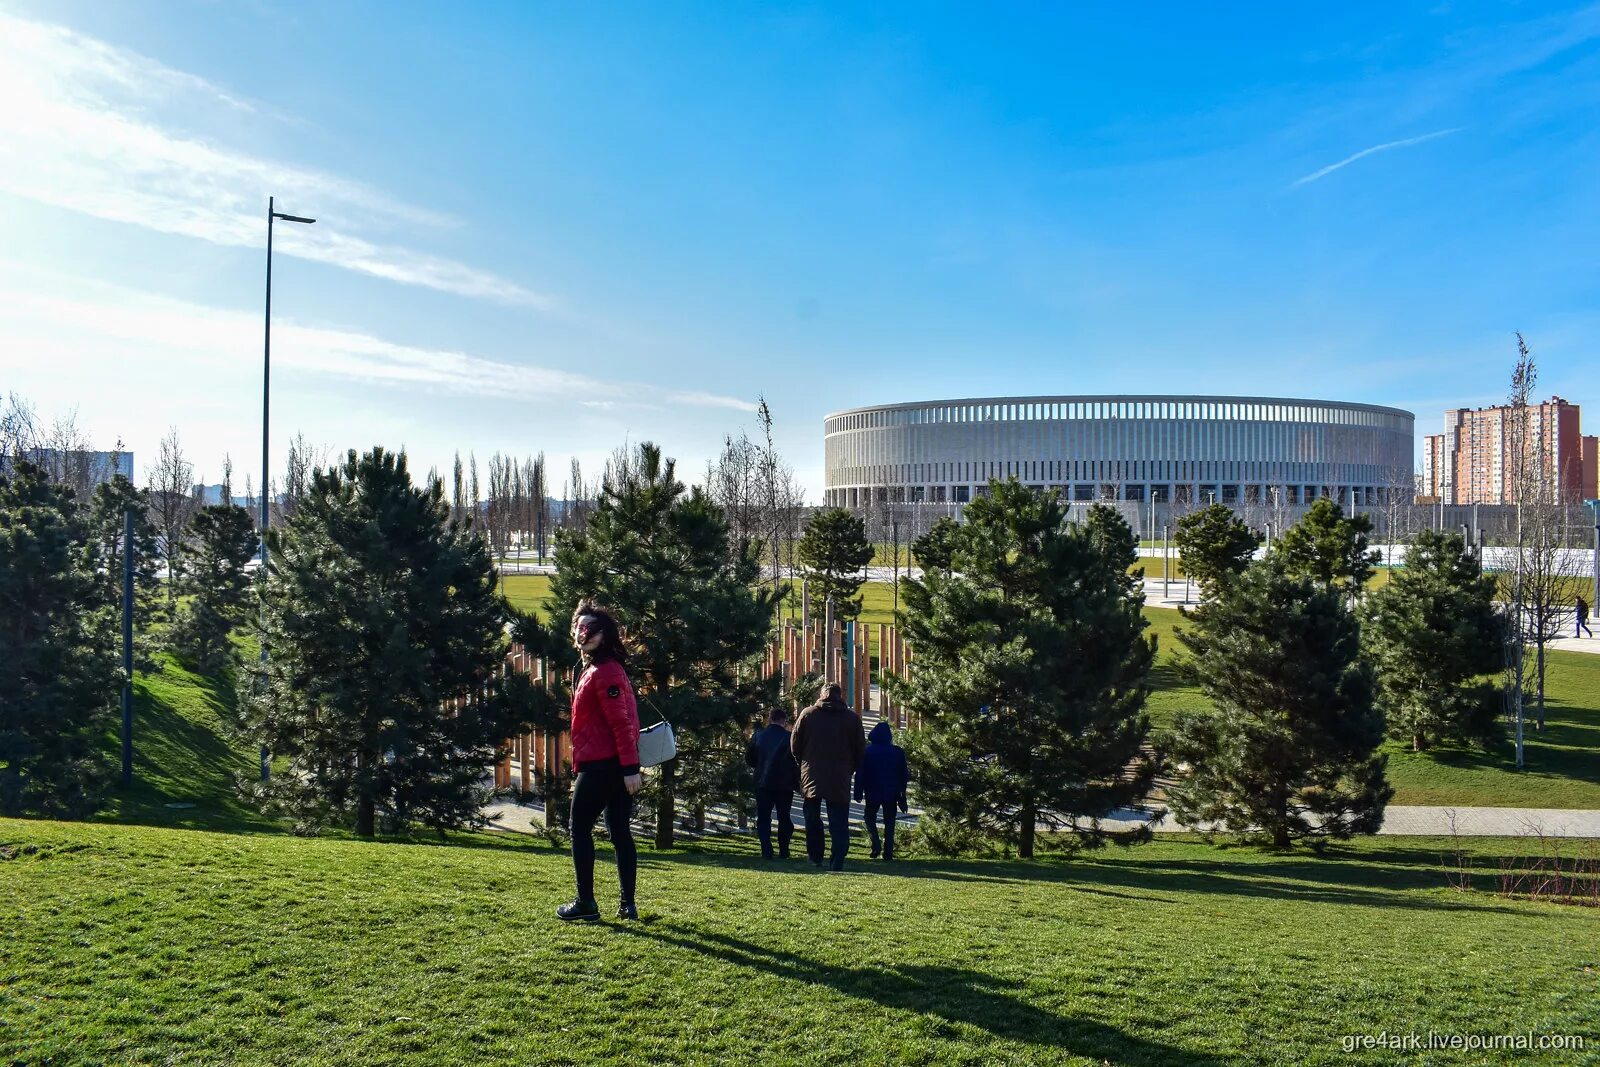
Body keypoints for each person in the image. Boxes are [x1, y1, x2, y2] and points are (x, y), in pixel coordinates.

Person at [558, 602, 642, 922]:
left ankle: (586, 902)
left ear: (604, 635)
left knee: (579, 827)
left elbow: (621, 723)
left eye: (589, 629)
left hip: (604, 764)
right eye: (579, 628)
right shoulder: (600, 668)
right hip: (611, 763)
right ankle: (627, 905)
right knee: (619, 830)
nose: (582, 634)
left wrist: (631, 769)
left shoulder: (605, 671)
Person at [790, 682, 865, 871]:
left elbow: (795, 745)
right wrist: (850, 769)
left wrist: (803, 764)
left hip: (812, 772)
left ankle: (815, 855)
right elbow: (860, 750)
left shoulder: (808, 714)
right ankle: (838, 857)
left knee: (812, 816)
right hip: (840, 774)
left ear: (821, 695)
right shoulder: (852, 719)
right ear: (840, 696)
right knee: (839, 820)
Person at [746, 707, 799, 860]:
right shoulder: (789, 737)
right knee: (784, 817)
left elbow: (750, 759)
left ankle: (766, 849)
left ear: (769, 720)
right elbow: (795, 761)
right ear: (785, 721)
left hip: (763, 782)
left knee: (763, 817)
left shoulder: (758, 736)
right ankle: (784, 849)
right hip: (784, 784)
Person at [855, 721, 909, 860]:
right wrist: (903, 794)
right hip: (892, 792)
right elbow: (903, 775)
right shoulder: (897, 752)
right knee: (890, 822)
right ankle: (888, 852)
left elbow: (860, 773)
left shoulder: (867, 751)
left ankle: (876, 844)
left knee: (869, 818)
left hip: (872, 791)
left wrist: (858, 792)